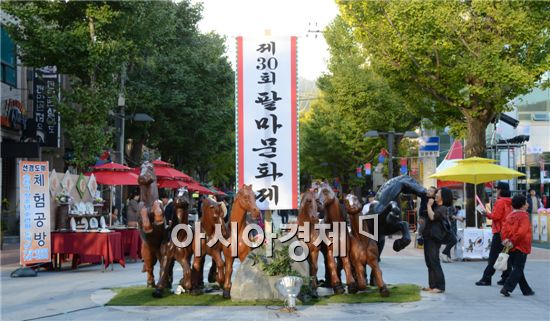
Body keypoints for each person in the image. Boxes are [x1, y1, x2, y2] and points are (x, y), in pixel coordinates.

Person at [476, 182, 512, 286]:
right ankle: (506, 277)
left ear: (501, 190)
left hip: (499, 232)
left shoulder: (500, 202)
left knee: (493, 256)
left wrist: (486, 213)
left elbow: (496, 216)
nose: (496, 191)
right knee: (505, 254)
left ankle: (486, 278)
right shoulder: (511, 201)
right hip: (507, 231)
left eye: (497, 189)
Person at [500, 194, 535, 297]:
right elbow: (522, 232)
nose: (528, 204)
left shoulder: (510, 215)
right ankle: (507, 287)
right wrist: (512, 241)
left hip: (510, 245)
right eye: (526, 202)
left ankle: (526, 290)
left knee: (517, 268)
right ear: (522, 205)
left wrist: (506, 241)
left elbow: (504, 229)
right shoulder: (524, 216)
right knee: (518, 268)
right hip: (521, 245)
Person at [422, 187, 453, 293]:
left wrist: (428, 205)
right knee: (429, 262)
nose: (436, 194)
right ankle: (432, 285)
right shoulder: (437, 206)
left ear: (443, 196)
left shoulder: (443, 208)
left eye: (438, 193)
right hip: (428, 237)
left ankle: (440, 286)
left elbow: (432, 217)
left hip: (434, 238)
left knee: (434, 261)